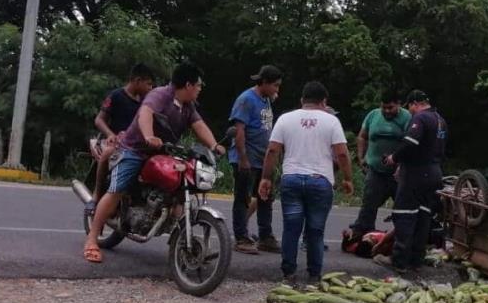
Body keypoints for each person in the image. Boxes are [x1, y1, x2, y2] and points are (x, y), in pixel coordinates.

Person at [82, 62, 226, 263]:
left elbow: (199, 125)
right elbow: (145, 114)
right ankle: (91, 239)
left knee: (178, 186)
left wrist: (214, 145)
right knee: (117, 190)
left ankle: (175, 232)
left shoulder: (188, 106)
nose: (200, 89)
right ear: (188, 85)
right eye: (199, 85)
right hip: (135, 150)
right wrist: (149, 136)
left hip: (164, 152)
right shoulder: (160, 95)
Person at [258, 81, 353, 285]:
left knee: (291, 229)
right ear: (324, 101)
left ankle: (288, 275)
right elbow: (342, 154)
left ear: (302, 100)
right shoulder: (331, 121)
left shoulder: (285, 119)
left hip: (291, 179)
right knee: (315, 232)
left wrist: (266, 178)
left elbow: (273, 150)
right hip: (320, 182)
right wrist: (347, 179)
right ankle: (313, 277)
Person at [373, 90, 447, 272]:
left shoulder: (420, 119)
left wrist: (394, 158)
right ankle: (416, 260)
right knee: (423, 216)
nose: (410, 111)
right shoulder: (440, 120)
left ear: (415, 103)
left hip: (416, 174)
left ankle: (399, 261)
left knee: (405, 214)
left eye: (410, 107)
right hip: (434, 172)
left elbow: (411, 143)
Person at [228, 65, 283, 254]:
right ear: (265, 83)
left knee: (265, 197)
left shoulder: (266, 99)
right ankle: (241, 237)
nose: (277, 90)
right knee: (243, 198)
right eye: (275, 85)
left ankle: (265, 236)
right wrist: (243, 159)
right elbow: (239, 130)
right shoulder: (246, 100)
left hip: (263, 159)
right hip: (247, 158)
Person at [87, 64, 155, 213]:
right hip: (116, 141)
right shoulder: (116, 95)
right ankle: (96, 195)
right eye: (148, 84)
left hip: (136, 144)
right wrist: (111, 134)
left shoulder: (145, 102)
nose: (150, 88)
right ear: (137, 80)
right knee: (106, 154)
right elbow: (99, 120)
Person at [347, 90, 411, 239]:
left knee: (403, 206)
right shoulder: (373, 115)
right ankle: (361, 234)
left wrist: (402, 164)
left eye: (390, 107)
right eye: (384, 107)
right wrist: (361, 157)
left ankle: (404, 238)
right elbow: (362, 136)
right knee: (369, 203)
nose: (387, 111)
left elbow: (409, 144)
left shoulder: (407, 117)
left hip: (398, 173)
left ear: (399, 105)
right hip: (375, 170)